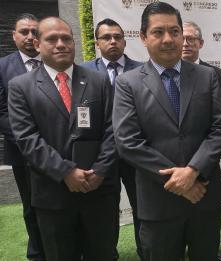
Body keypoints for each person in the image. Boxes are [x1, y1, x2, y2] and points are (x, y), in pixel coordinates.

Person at [112, 2, 221, 261]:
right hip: (158, 201)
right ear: (143, 37)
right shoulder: (127, 83)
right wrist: (179, 182)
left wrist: (193, 171)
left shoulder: (207, 76)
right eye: (158, 32)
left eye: (174, 31)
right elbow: (127, 142)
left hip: (204, 194)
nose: (168, 39)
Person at [8, 17, 118, 261]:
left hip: (98, 191)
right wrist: (66, 172)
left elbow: (114, 129)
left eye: (66, 38)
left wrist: (100, 170)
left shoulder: (98, 81)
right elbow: (27, 138)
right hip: (53, 194)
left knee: (103, 254)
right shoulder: (21, 86)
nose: (61, 44)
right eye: (52, 39)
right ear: (37, 44)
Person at [80, 17, 143, 260]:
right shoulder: (83, 72)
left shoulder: (142, 70)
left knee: (142, 207)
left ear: (125, 41)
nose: (113, 41)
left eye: (118, 36)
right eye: (106, 37)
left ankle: (146, 251)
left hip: (136, 154)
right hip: (102, 156)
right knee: (104, 212)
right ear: (97, 42)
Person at [180, 20, 221, 261]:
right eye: (183, 37)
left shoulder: (213, 74)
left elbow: (219, 123)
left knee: (206, 229)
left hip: (205, 162)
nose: (186, 43)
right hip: (171, 169)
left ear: (201, 43)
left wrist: (197, 168)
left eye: (192, 39)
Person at [0, 13, 46, 261]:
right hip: (22, 151)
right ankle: (38, 252)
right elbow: (1, 113)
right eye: (24, 32)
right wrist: (29, 138)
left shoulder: (54, 61)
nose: (30, 37)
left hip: (58, 149)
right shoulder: (2, 67)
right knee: (31, 205)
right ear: (14, 36)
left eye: (34, 32)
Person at [182, 21, 221, 89]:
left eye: (190, 39)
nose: (185, 44)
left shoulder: (215, 73)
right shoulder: (170, 72)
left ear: (201, 43)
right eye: (181, 39)